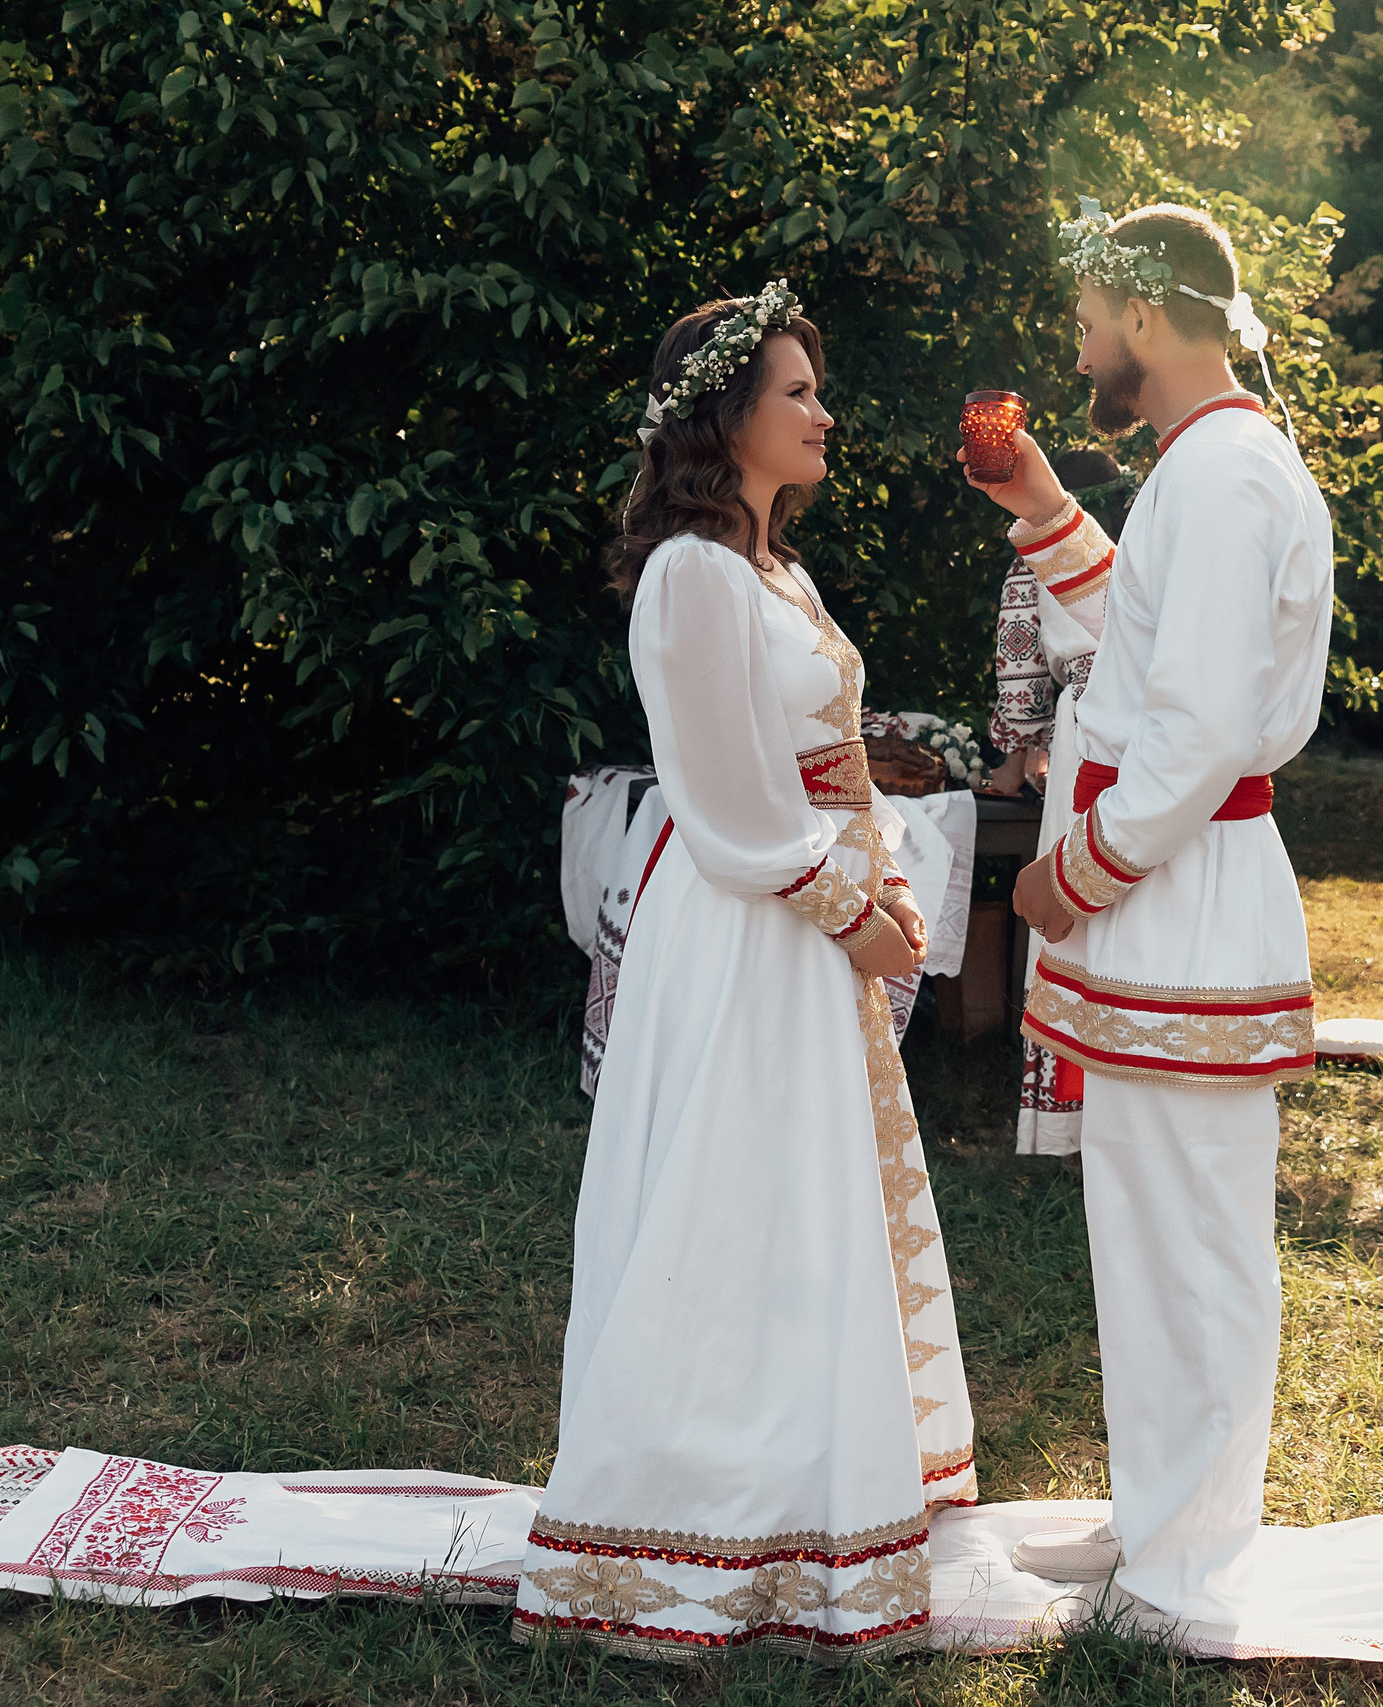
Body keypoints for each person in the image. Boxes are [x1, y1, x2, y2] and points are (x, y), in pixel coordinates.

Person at [516, 283, 978, 1660]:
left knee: (798, 1209)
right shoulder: (693, 577)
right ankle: (681, 1517)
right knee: (727, 1204)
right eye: (798, 392)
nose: (824, 413)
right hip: (741, 934)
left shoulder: (781, 573)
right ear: (726, 416)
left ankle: (799, 1481)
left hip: (808, 926)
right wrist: (852, 906)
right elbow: (723, 797)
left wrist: (886, 866)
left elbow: (828, 756)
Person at [961, 201, 1334, 1626]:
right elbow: (1146, 639)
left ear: (1151, 314)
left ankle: (1189, 1569)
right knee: (1145, 1224)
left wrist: (1080, 869)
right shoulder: (1198, 466)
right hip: (1159, 914)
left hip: (1182, 902)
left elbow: (1199, 725)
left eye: (1089, 313)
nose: (1077, 338)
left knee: (1195, 1236)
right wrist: (1049, 509)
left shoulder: (1232, 475)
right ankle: (1158, 1517)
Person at [987, 446, 1128, 1160]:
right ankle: (1132, 1101)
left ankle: (1066, 1124)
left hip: (1086, 733)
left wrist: (1018, 758)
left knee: (1071, 910)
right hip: (1153, 724)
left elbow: (1019, 669)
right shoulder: (1136, 543)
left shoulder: (1044, 548)